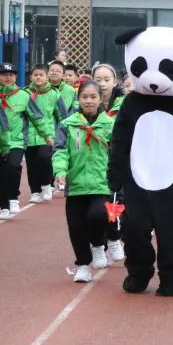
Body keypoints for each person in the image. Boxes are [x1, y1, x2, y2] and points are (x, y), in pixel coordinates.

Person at [52, 80, 114, 282]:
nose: (89, 101)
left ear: (101, 99)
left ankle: (98, 244)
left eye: (93, 97)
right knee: (76, 226)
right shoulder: (68, 124)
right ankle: (83, 265)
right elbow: (60, 150)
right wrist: (60, 170)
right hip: (76, 184)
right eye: (84, 97)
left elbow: (118, 151)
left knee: (98, 215)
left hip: (101, 183)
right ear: (78, 99)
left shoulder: (110, 124)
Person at [0, 62, 52, 220]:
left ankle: (13, 198)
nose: (8, 78)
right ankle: (3, 205)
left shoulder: (24, 96)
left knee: (13, 166)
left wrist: (46, 135)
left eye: (11, 75)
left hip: (16, 141)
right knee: (0, 174)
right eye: (4, 74)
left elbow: (37, 117)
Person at [26, 64, 61, 204]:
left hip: (48, 135)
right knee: (31, 164)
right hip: (28, 136)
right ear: (31, 77)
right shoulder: (25, 94)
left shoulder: (54, 94)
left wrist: (61, 135)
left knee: (44, 158)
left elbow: (61, 115)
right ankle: (35, 191)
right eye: (35, 75)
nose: (38, 77)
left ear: (47, 77)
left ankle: (47, 184)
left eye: (41, 74)